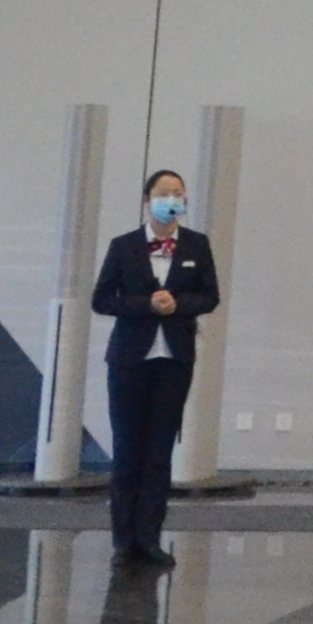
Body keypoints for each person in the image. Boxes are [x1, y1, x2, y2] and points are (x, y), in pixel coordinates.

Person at [90, 166, 218, 568]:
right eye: (163, 193)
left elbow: (210, 296)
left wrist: (178, 304)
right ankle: (123, 540)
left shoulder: (196, 245)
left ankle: (150, 537)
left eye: (177, 193)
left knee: (160, 452)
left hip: (174, 358)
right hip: (130, 358)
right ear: (148, 201)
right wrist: (146, 304)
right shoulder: (124, 246)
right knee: (127, 449)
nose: (171, 200)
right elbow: (102, 299)